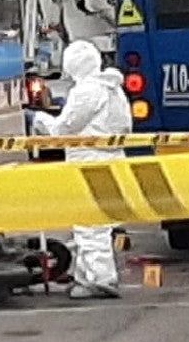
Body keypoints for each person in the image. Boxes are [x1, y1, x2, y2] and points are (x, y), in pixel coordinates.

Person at [30, 40, 132, 299]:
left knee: (90, 225)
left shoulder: (87, 91)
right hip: (113, 160)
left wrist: (39, 119)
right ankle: (86, 276)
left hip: (90, 163)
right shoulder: (114, 90)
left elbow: (63, 129)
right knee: (96, 224)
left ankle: (101, 279)